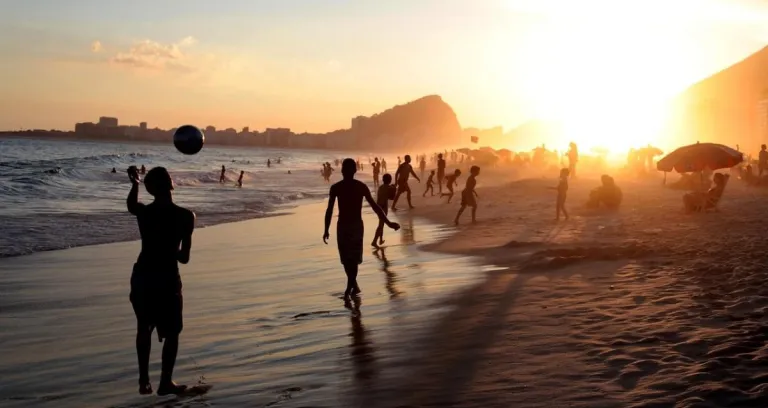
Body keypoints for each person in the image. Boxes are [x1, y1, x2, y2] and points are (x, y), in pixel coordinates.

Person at [127, 166, 195, 396]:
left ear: (150, 189)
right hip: (167, 277)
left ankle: (144, 380)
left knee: (143, 326)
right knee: (173, 332)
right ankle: (165, 382)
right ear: (171, 184)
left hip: (144, 274)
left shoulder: (145, 213)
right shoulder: (186, 216)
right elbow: (184, 258)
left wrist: (134, 183)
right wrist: (169, 248)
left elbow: (131, 206)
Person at [323, 159, 400, 298]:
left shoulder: (351, 187)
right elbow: (329, 210)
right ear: (354, 170)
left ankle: (349, 287)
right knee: (347, 259)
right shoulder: (341, 188)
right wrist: (326, 229)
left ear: (347, 170)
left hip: (352, 225)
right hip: (347, 226)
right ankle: (354, 285)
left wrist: (388, 223)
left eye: (347, 169)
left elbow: (376, 207)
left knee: (352, 258)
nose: (346, 171)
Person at [372, 173, 394, 247]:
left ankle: (380, 239)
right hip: (383, 207)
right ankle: (374, 241)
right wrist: (394, 189)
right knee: (381, 224)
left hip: (378, 206)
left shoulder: (381, 187)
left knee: (381, 224)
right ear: (389, 180)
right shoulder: (388, 187)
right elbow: (392, 198)